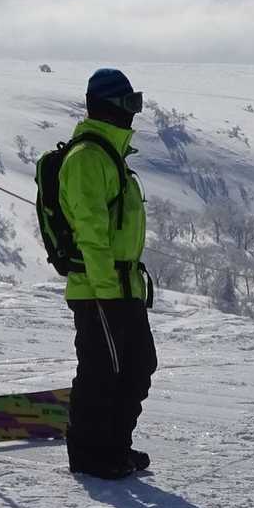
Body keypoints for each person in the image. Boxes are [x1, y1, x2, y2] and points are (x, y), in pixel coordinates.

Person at [59, 68, 157, 480]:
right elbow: (91, 234)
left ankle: (115, 446)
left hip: (122, 285)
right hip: (100, 288)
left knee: (138, 366)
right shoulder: (87, 158)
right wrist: (106, 293)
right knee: (101, 372)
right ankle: (89, 455)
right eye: (130, 103)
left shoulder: (110, 155)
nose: (134, 112)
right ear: (109, 106)